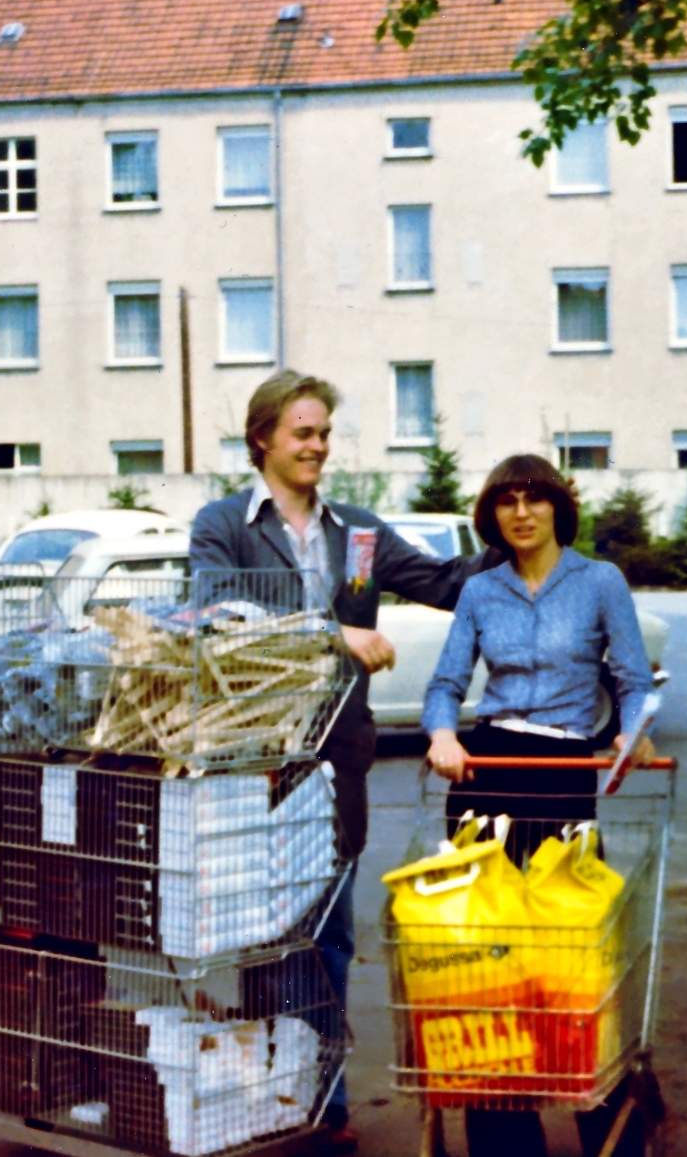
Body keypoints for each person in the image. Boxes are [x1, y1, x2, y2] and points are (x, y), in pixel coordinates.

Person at [189, 370, 500, 1153]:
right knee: (263, 932)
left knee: (326, 930)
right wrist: (331, 633)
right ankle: (271, 1091)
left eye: (324, 433)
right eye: (302, 433)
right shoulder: (223, 523)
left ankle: (319, 1102)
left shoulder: (356, 533)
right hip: (251, 760)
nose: (317, 447)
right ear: (263, 438)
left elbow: (437, 581)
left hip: (336, 760)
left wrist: (518, 532)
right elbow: (217, 610)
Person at [423, 453, 657, 1157]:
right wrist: (440, 732)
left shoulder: (599, 583)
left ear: (559, 507)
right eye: (505, 501)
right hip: (487, 774)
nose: (520, 512)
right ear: (490, 514)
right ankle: (502, 1131)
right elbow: (444, 681)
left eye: (534, 499)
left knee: (571, 957)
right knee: (485, 963)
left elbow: (634, 678)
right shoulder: (480, 589)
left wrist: (632, 727)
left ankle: (605, 1118)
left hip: (560, 773)